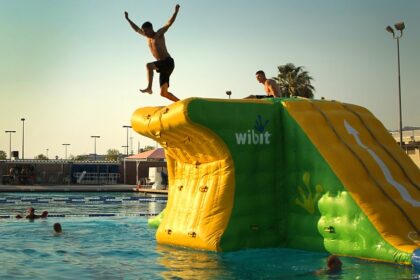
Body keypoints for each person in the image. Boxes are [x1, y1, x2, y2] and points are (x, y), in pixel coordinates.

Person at [125, 5, 181, 102]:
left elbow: (169, 23)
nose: (145, 34)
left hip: (168, 62)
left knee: (149, 66)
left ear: (151, 28)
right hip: (162, 66)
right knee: (163, 93)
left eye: (146, 31)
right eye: (144, 32)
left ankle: (149, 87)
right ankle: (181, 103)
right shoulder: (147, 37)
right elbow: (136, 29)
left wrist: (176, 11)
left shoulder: (158, 34)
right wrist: (127, 19)